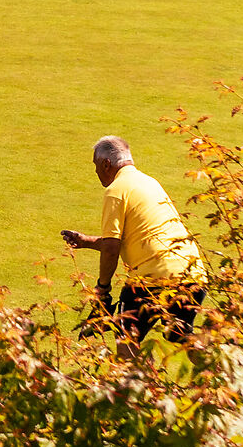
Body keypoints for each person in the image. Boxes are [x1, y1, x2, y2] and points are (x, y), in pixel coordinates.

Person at [60, 136, 206, 342]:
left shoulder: (116, 191)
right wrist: (86, 241)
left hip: (151, 279)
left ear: (106, 164)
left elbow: (112, 248)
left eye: (96, 165)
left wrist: (102, 288)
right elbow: (137, 237)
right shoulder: (150, 182)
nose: (95, 171)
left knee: (126, 342)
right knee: (181, 336)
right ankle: (221, 354)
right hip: (192, 274)